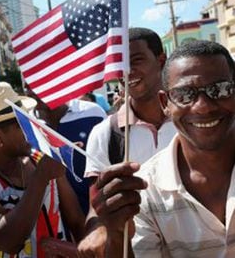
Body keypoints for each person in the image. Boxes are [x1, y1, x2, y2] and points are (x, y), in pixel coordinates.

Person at [81, 40, 235, 257]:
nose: (203, 106)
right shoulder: (145, 191)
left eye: (219, 90)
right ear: (165, 103)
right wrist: (116, 236)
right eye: (184, 94)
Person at [0, 82, 85, 257]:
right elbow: (7, 240)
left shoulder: (40, 159)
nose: (31, 128)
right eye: (21, 124)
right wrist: (41, 176)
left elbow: (76, 220)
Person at [78, 27, 177, 254]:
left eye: (137, 60)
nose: (127, 71)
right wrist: (98, 230)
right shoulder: (105, 133)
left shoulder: (192, 120)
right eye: (119, 64)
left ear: (161, 60)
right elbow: (97, 206)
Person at [26, 87, 107, 216]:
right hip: (54, 223)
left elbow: (109, 161)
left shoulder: (93, 113)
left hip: (97, 213)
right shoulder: (26, 123)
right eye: (27, 87)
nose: (29, 93)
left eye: (35, 86)